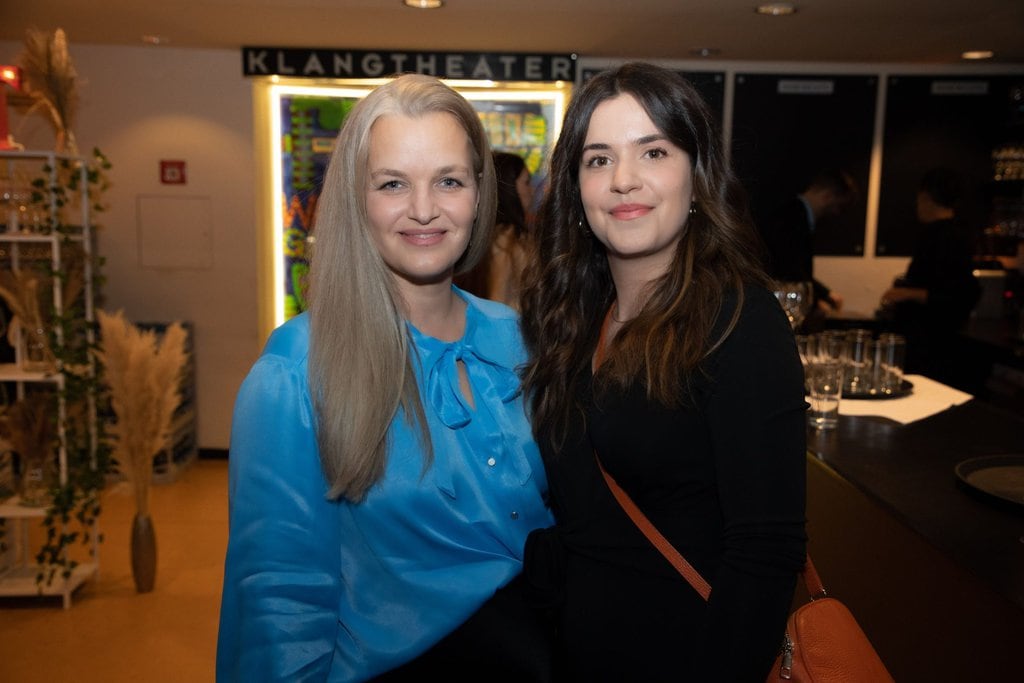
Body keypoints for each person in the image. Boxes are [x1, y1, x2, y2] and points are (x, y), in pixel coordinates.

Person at [216, 74, 556, 682]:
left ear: (479, 193)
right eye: (393, 183)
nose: (424, 209)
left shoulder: (519, 340)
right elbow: (280, 598)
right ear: (357, 198)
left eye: (449, 180)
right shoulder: (297, 370)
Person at [519, 62, 808, 681]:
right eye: (598, 159)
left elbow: (766, 550)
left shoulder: (738, 320)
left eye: (653, 152)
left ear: (697, 177)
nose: (623, 179)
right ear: (576, 189)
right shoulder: (573, 319)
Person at [878, 167, 981, 384]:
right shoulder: (955, 234)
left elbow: (959, 295)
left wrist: (906, 293)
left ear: (926, 197)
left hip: (932, 343)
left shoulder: (945, 237)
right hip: (933, 341)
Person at [758, 167, 859, 319]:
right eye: (838, 206)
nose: (836, 213)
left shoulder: (796, 214)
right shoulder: (791, 217)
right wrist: (817, 299)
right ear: (827, 196)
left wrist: (823, 294)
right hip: (778, 301)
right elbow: (789, 267)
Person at [455, 151, 534, 308]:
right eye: (526, 183)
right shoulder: (507, 238)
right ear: (509, 187)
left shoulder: (481, 234)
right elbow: (497, 298)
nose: (532, 190)